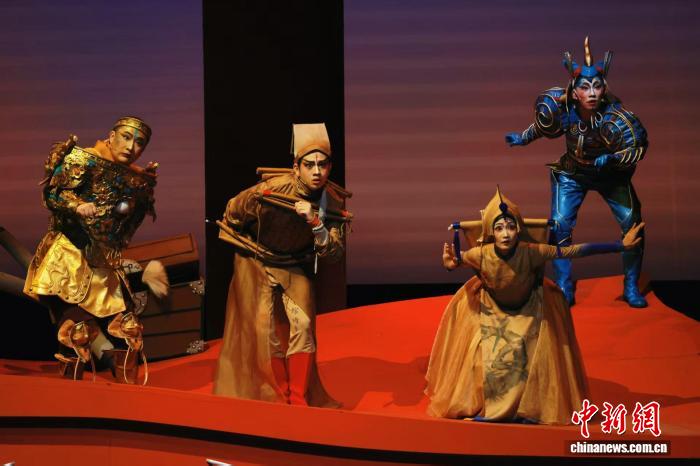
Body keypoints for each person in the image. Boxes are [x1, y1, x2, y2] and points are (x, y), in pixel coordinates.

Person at [425, 188, 644, 424]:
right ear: (490, 232)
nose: (506, 234)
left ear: (518, 229)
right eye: (499, 228)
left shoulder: (532, 252)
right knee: (485, 357)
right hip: (493, 310)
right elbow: (457, 261)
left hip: (528, 308)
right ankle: (487, 406)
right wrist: (450, 264)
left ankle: (528, 408)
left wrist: (619, 246)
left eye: (511, 227)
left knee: (524, 352)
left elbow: (572, 250)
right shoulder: (480, 254)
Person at [505, 37, 649, 307]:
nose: (592, 93)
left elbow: (638, 147)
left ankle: (631, 286)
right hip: (572, 173)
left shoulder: (615, 115)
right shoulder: (564, 110)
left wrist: (613, 159)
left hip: (610, 177)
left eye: (597, 86)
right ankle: (563, 286)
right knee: (559, 225)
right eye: (585, 87)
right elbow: (543, 126)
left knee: (633, 223)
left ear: (604, 88)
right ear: (574, 92)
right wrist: (523, 138)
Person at [214, 123, 350, 406]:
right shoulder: (272, 189)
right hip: (257, 260)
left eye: (323, 165)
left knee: (303, 324)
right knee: (265, 330)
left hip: (294, 262)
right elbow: (234, 211)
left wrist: (315, 222)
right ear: (296, 167)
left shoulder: (332, 203)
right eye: (309, 165)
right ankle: (279, 394)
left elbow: (334, 253)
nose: (317, 172)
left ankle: (298, 398)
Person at [24, 116, 165, 382]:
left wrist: (141, 193)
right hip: (69, 251)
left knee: (129, 327)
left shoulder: (135, 177)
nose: (131, 147)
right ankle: (72, 385)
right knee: (78, 330)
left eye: (139, 143)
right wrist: (76, 205)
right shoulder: (84, 159)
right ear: (111, 136)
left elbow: (129, 218)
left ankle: (127, 388)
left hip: (104, 256)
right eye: (126, 137)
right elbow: (53, 193)